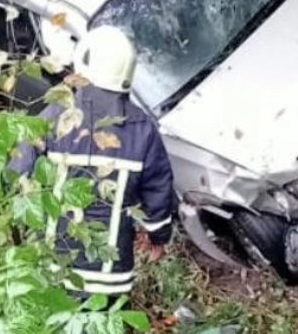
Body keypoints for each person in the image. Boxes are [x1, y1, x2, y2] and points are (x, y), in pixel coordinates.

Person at [10, 26, 176, 299]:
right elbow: (159, 192)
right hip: (110, 279)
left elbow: (18, 173)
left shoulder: (53, 116)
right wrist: (159, 238)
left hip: (52, 269)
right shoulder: (142, 129)